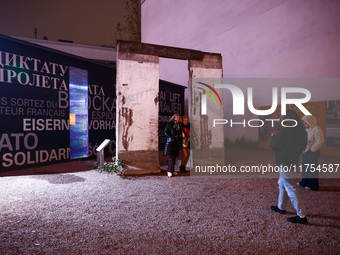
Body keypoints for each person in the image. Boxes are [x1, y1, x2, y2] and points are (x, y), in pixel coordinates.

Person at [270, 109, 308, 224]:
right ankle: (281, 207)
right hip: (293, 160)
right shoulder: (302, 131)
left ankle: (302, 216)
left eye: (282, 118)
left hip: (284, 162)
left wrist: (274, 137)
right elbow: (302, 147)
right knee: (282, 184)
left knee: (290, 187)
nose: (281, 119)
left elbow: (274, 146)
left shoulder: (285, 131)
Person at [298, 115, 324, 191]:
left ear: (310, 122)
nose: (304, 124)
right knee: (305, 167)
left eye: (305, 122)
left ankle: (313, 185)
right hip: (307, 152)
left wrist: (312, 149)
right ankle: (304, 182)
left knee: (311, 169)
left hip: (313, 152)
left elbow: (320, 141)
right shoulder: (308, 129)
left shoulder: (317, 129)